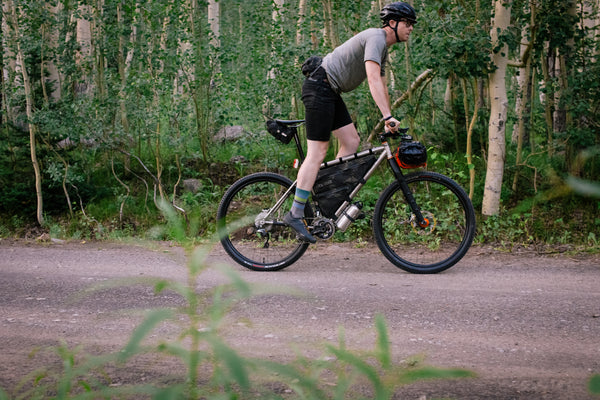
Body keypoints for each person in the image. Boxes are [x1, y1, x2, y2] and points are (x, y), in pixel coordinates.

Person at [283, 2, 417, 243]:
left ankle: (327, 195)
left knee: (351, 141)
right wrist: (386, 116)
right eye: (408, 24)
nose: (410, 29)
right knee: (318, 151)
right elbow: (373, 78)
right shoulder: (376, 38)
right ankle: (295, 212)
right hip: (320, 87)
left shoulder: (383, 48)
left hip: (330, 91)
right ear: (393, 23)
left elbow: (383, 85)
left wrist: (388, 117)